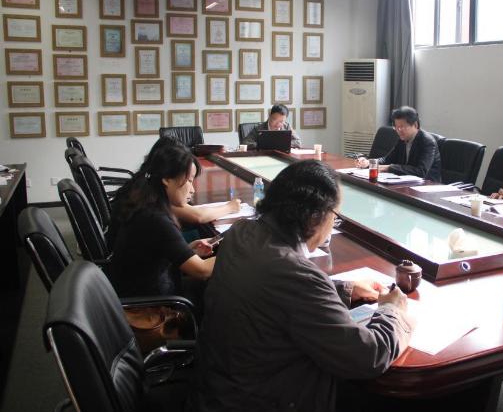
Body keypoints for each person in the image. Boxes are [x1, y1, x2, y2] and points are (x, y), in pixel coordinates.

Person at [194, 160, 414, 412]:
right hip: (261, 399)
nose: (333, 224)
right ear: (315, 217)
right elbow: (368, 357)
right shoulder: (298, 276)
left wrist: (344, 289)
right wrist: (392, 311)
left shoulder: (241, 232)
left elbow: (274, 292)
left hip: (217, 388)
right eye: (335, 216)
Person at [107, 142, 217, 299]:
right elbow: (202, 271)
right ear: (167, 179)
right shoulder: (156, 219)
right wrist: (234, 254)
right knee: (219, 288)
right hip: (150, 305)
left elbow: (153, 254)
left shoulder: (146, 201)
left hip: (142, 289)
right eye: (189, 180)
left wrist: (189, 251)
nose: (192, 190)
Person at [146, 136, 242, 225]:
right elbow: (199, 216)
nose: (192, 190)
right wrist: (230, 207)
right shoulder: (155, 198)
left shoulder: (147, 181)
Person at [356, 106, 442, 182]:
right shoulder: (402, 139)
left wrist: (389, 168)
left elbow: (421, 171)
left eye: (402, 127)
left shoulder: (427, 142)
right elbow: (387, 159)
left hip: (427, 185)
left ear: (415, 125)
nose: (398, 130)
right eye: (396, 127)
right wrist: (369, 162)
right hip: (406, 182)